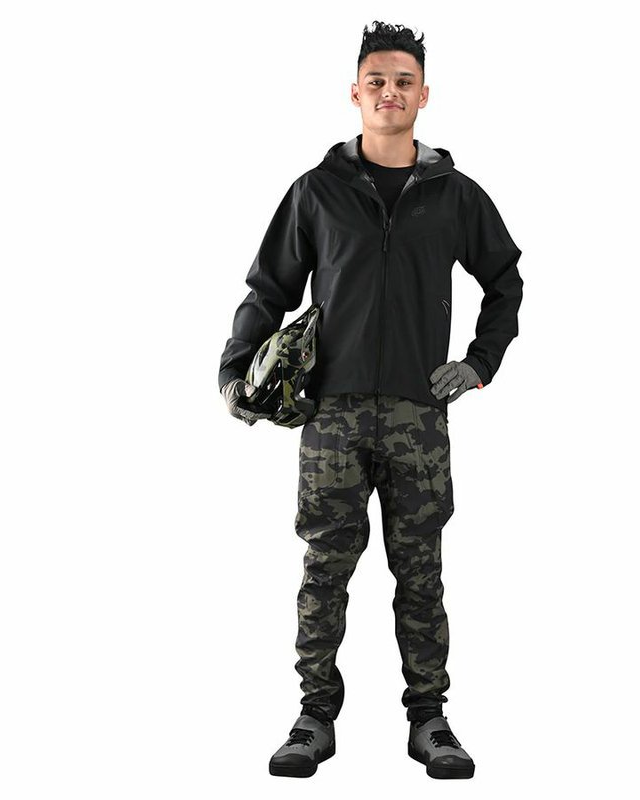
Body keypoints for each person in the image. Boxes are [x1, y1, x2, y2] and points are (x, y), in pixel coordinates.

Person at [218, 21, 523, 780]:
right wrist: (234, 370)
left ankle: (430, 721)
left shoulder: (456, 195)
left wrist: (479, 364)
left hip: (419, 415)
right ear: (354, 93)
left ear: (425, 95)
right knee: (325, 569)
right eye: (377, 81)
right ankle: (313, 719)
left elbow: (504, 280)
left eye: (404, 81)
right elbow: (268, 287)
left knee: (420, 573)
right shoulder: (316, 192)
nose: (391, 92)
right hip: (332, 414)